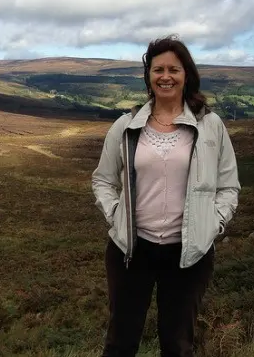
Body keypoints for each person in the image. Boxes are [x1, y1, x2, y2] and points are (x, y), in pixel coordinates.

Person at [91, 35, 240, 357]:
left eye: (174, 68)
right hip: (131, 251)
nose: (166, 76)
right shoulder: (126, 125)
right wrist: (116, 214)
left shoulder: (211, 126)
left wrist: (213, 224)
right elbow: (103, 180)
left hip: (189, 254)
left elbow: (229, 186)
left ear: (187, 74)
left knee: (177, 344)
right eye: (158, 69)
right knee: (120, 342)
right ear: (149, 76)